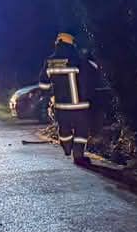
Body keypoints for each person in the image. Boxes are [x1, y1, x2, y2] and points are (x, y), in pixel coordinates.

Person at [39, 32, 103, 165]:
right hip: (80, 106)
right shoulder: (78, 60)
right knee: (82, 131)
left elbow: (44, 84)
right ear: (71, 44)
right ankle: (78, 156)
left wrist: (48, 96)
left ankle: (67, 147)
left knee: (64, 129)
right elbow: (94, 72)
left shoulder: (49, 62)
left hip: (61, 106)